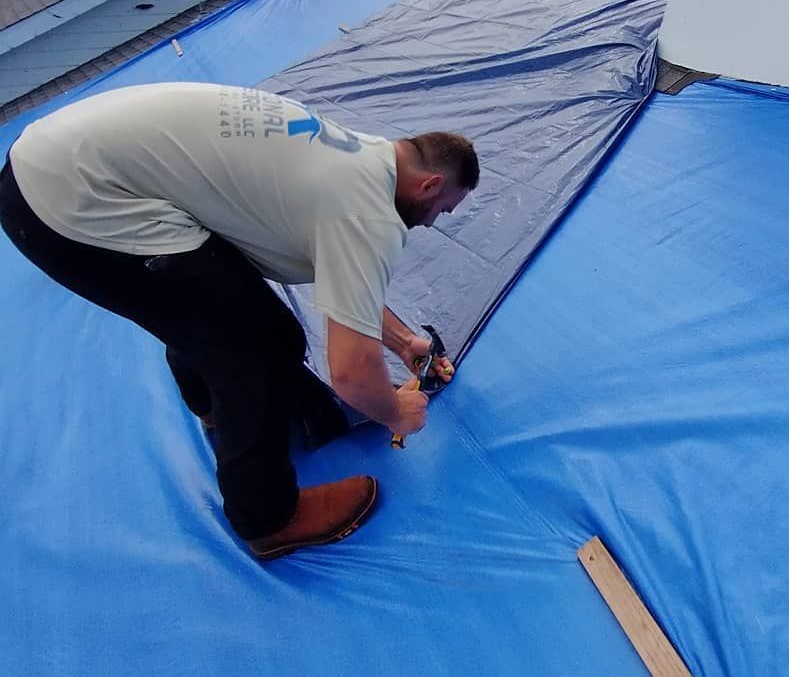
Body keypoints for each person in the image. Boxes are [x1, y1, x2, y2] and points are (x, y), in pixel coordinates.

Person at [0, 82, 478, 560]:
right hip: (71, 201)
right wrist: (396, 413)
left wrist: (401, 341)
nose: (433, 222)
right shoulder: (368, 215)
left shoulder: (362, 155)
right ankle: (269, 517)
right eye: (442, 209)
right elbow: (351, 375)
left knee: (214, 301)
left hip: (52, 159)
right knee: (258, 346)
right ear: (429, 185)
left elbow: (344, 270)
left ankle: (214, 406)